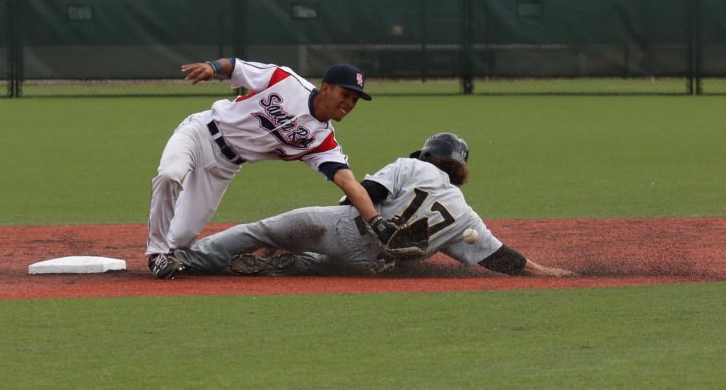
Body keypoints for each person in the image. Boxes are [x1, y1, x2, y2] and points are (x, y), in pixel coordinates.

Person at [153, 132, 577, 279]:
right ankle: (288, 262)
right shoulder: (466, 216)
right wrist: (549, 272)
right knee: (318, 263)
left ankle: (189, 260)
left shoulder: (414, 166)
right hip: (370, 263)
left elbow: (365, 195)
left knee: (262, 230)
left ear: (428, 155)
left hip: (343, 228)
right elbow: (500, 258)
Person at [146, 58, 398, 276]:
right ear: (326, 89)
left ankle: (168, 248)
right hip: (200, 132)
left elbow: (348, 182)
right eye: (346, 94)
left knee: (179, 240)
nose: (349, 103)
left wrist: (377, 222)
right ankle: (156, 255)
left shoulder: (322, 142)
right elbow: (236, 66)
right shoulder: (286, 81)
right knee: (170, 174)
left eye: (355, 99)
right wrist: (213, 67)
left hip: (223, 167)